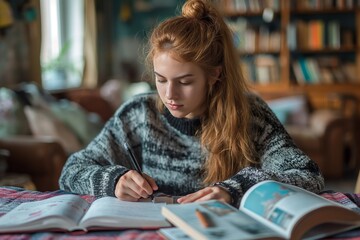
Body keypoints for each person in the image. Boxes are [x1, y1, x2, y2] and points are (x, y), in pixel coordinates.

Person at [59, 0, 324, 207]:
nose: (170, 94)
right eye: (160, 80)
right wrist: (114, 180)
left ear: (214, 74)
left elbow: (307, 174)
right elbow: (71, 171)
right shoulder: (137, 115)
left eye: (184, 82)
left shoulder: (250, 115)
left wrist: (236, 188)